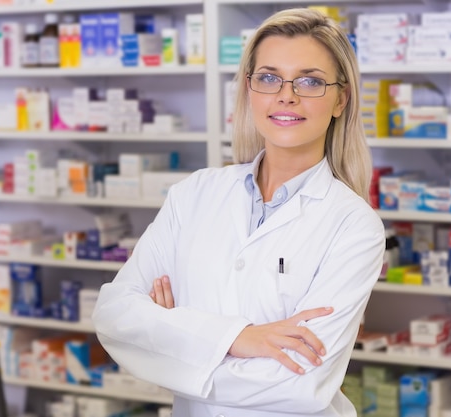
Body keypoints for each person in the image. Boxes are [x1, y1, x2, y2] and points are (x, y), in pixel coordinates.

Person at [93, 7, 385, 416]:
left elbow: (301, 383)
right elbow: (113, 315)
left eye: (310, 81)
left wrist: (172, 342)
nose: (287, 95)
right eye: (268, 77)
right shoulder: (194, 194)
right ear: (249, 90)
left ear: (340, 100)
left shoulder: (354, 226)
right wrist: (237, 338)